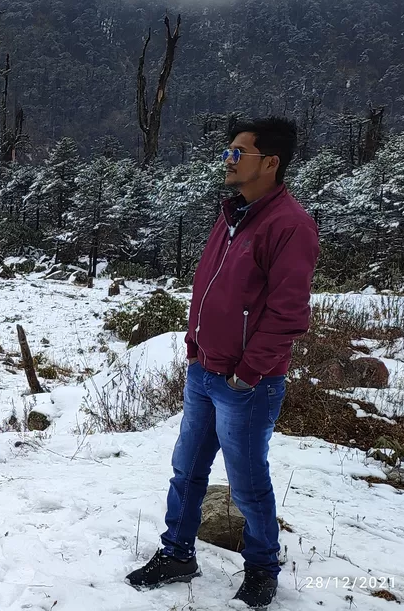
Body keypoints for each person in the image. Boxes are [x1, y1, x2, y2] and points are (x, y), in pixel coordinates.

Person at [126, 118, 318, 609]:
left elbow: (290, 314)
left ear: (270, 163)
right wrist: (194, 346)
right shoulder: (232, 214)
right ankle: (177, 553)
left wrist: (248, 371)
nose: (228, 160)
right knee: (186, 470)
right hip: (204, 371)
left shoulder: (289, 224)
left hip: (246, 383)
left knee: (247, 481)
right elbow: (208, 286)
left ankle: (261, 568)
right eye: (228, 152)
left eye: (239, 153)